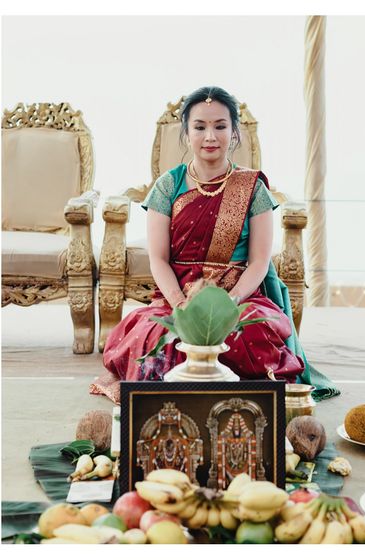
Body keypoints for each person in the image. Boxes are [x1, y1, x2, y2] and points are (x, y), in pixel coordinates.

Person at [90, 86, 339, 404]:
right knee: (151, 336)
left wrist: (227, 305)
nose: (210, 136)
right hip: (177, 299)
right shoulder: (168, 185)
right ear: (187, 132)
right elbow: (158, 259)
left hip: (237, 299)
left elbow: (259, 262)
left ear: (234, 132)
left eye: (220, 126)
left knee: (252, 334)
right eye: (200, 127)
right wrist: (181, 307)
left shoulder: (252, 189)